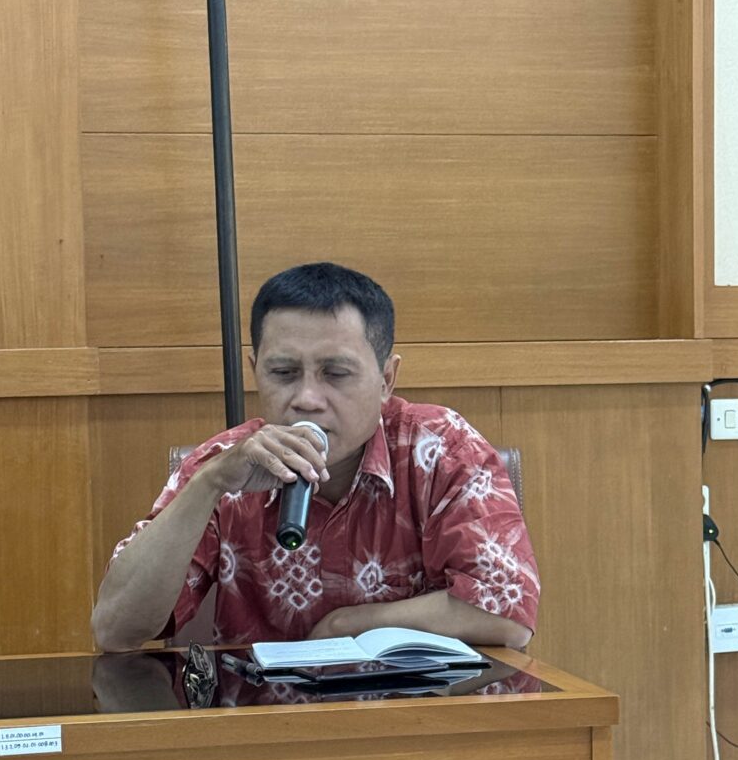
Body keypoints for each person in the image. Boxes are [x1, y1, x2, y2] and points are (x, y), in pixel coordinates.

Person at [91, 263, 540, 652]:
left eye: (335, 373)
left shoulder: (442, 450)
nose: (306, 399)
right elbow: (115, 630)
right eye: (283, 373)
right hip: (265, 719)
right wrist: (208, 485)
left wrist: (348, 624)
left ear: (386, 379)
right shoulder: (224, 465)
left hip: (414, 718)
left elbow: (508, 612)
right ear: (255, 372)